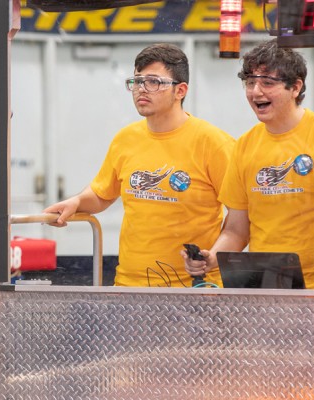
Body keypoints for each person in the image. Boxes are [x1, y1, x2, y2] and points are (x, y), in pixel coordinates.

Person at [44, 43, 235, 287]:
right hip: (129, 286)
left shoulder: (213, 143)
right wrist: (77, 202)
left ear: (180, 91)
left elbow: (239, 213)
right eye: (136, 81)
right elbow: (102, 195)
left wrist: (215, 255)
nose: (141, 89)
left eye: (153, 81)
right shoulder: (126, 139)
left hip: (193, 287)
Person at [183, 39, 314, 290]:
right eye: (250, 83)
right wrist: (211, 258)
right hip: (264, 290)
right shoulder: (245, 145)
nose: (256, 92)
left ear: (295, 87)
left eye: (267, 83)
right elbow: (237, 229)